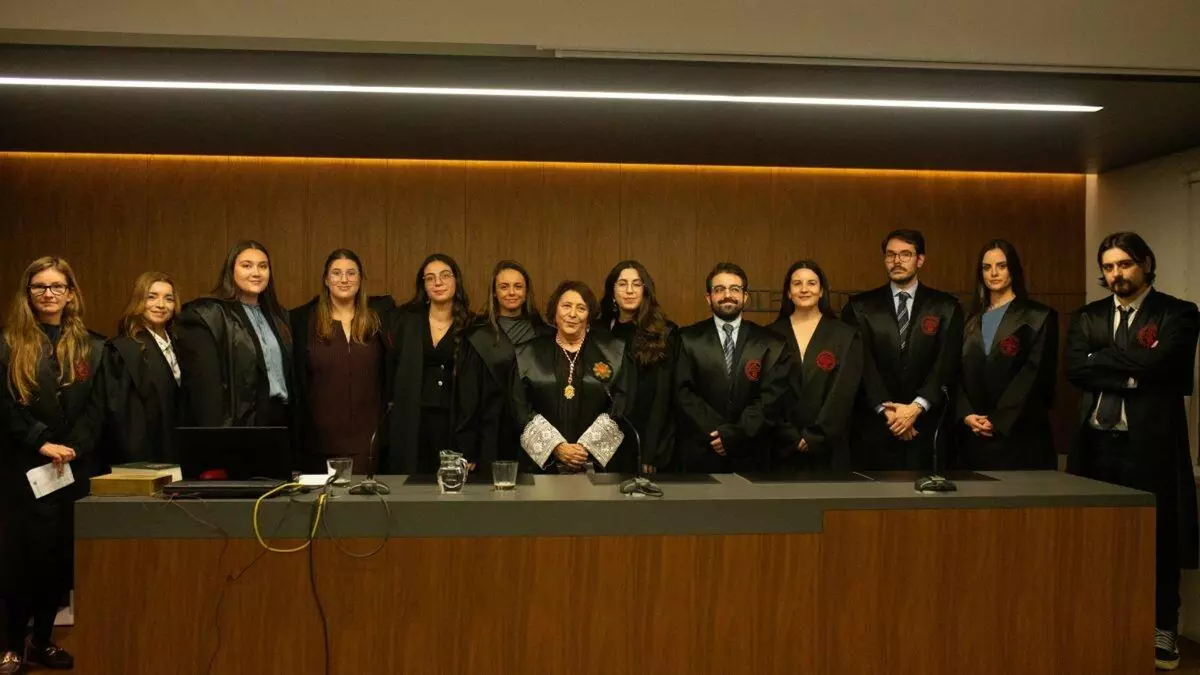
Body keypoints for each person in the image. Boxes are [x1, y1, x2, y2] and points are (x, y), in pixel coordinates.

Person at [1065, 232, 1199, 671]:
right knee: (1096, 540)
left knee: (1159, 537)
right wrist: (1136, 369)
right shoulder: (1088, 316)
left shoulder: (1178, 313)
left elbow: (1168, 368)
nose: (1116, 274)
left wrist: (1102, 358)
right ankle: (1102, 622)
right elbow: (1075, 370)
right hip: (1096, 448)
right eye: (1108, 267)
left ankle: (1163, 628)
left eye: (1124, 264)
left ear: (1145, 263)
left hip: (1151, 448)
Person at [0, 257, 105, 673]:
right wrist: (41, 441)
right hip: (23, 469)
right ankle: (11, 645)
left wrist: (73, 448)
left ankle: (43, 641)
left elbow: (97, 408)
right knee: (20, 561)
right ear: (28, 294)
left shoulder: (92, 347)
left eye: (57, 286)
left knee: (59, 561)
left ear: (70, 293)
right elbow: (4, 406)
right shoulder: (8, 344)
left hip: (71, 469)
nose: (49, 293)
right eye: (40, 287)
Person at [841, 229, 964, 470]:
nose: (897, 261)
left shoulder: (946, 307)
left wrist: (915, 408)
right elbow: (860, 362)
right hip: (875, 426)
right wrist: (888, 410)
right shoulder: (859, 307)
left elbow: (946, 362)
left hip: (926, 425)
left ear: (920, 259)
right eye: (890, 255)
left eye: (905, 254)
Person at [675, 262, 790, 473]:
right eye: (719, 289)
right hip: (702, 451)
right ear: (708, 298)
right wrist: (719, 432)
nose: (727, 295)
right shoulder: (686, 338)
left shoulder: (770, 343)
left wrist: (737, 433)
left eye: (735, 289)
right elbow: (683, 393)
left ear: (745, 297)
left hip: (752, 452)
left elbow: (771, 397)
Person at [175, 241, 295, 436]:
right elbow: (205, 388)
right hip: (238, 424)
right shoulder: (208, 314)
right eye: (246, 265)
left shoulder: (278, 316)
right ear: (231, 271)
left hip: (279, 418)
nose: (256, 273)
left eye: (263, 266)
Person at [290, 250, 394, 474]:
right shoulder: (302, 321)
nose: (344, 279)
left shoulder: (380, 319)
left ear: (360, 279)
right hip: (317, 442)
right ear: (326, 280)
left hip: (368, 441)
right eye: (336, 273)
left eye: (351, 273)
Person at [956, 240, 1058, 470]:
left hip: (1020, 435)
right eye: (986, 267)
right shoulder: (966, 318)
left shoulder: (1038, 316)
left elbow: (1035, 374)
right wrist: (965, 413)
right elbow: (953, 371)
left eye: (1001, 266)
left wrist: (999, 419)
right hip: (971, 433)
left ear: (1013, 269)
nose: (993, 273)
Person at [511, 281, 632, 473]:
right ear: (555, 312)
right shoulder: (527, 353)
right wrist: (556, 447)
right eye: (566, 306)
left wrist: (585, 448)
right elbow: (519, 406)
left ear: (589, 316)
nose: (573, 314)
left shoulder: (613, 353)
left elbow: (622, 403)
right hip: (541, 467)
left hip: (597, 466)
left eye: (581, 308)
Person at [768, 260, 862, 471]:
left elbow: (843, 393)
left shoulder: (845, 335)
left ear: (821, 291)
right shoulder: (769, 335)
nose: (804, 289)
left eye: (811, 283)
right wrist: (788, 434)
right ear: (788, 292)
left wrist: (817, 435)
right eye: (797, 283)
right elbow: (767, 393)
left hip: (830, 447)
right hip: (781, 446)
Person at [456, 261, 549, 473]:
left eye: (518, 286)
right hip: (491, 434)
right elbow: (468, 398)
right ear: (494, 293)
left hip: (537, 435)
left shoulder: (545, 334)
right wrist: (468, 448)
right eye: (504, 287)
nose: (511, 292)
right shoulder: (477, 337)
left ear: (526, 292)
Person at [384, 254, 471, 474]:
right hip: (413, 419)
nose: (438, 283)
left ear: (456, 280)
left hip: (454, 422)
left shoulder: (472, 325)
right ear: (423, 285)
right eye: (430, 278)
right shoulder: (406, 321)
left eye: (445, 276)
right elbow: (390, 369)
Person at [596, 261, 678, 471]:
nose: (630, 290)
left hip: (645, 439)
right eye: (622, 284)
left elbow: (664, 397)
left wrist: (652, 451)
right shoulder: (599, 330)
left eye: (637, 284)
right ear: (612, 291)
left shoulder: (664, 333)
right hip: (603, 439)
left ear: (645, 290)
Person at [101, 271, 184, 466]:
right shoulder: (124, 349)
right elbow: (122, 415)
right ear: (139, 301)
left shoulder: (181, 346)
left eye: (169, 299)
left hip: (177, 447)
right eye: (152, 297)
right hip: (143, 455)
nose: (161, 305)